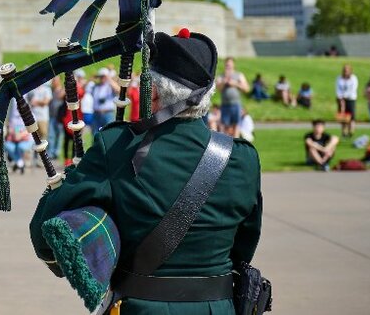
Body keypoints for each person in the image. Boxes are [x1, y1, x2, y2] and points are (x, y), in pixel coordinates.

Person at [30, 29, 262, 314]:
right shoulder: (243, 158)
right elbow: (243, 249)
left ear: (151, 93)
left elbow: (45, 237)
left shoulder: (116, 146)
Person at [216, 57, 249, 138]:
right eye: (227, 65)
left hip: (236, 104)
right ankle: (226, 144)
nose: (228, 67)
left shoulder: (239, 75)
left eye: (230, 65)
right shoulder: (221, 76)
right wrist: (225, 81)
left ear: (233, 65)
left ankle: (235, 143)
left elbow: (246, 88)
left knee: (236, 125)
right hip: (225, 104)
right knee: (225, 126)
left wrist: (235, 84)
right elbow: (218, 88)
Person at [5, 98, 34, 174]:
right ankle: (20, 162)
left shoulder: (31, 115)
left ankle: (18, 163)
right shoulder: (14, 117)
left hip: (27, 139)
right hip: (15, 138)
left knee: (21, 147)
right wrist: (15, 133)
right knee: (8, 145)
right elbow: (11, 128)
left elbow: (31, 129)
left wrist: (21, 135)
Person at [335, 64, 358, 137]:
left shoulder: (353, 78)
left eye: (347, 70)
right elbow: (337, 88)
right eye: (344, 70)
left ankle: (351, 131)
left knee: (351, 116)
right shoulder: (339, 78)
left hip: (350, 99)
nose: (346, 72)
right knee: (343, 115)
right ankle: (344, 131)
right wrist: (340, 98)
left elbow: (353, 89)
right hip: (341, 99)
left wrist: (345, 97)